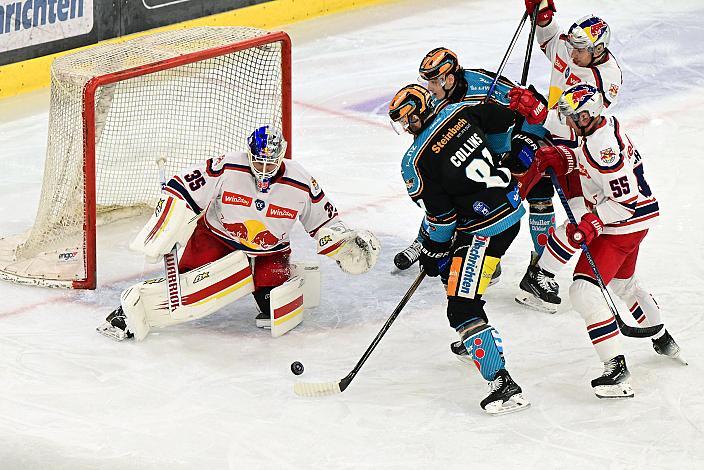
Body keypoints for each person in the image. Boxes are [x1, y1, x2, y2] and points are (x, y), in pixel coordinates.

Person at [97, 125, 380, 341]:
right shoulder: (228, 166)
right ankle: (127, 311)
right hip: (217, 237)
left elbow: (324, 222)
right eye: (259, 161)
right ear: (249, 153)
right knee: (185, 283)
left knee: (272, 308)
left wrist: (343, 245)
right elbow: (182, 185)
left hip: (270, 250)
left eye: (271, 162)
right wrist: (168, 223)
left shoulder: (301, 181)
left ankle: (267, 281)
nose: (265, 169)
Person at [514, 83, 684, 398]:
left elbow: (625, 201)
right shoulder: (594, 128)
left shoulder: (604, 148)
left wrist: (594, 220)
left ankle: (616, 370)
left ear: (591, 115)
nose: (571, 123)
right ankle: (661, 336)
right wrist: (543, 120)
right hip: (635, 219)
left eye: (577, 117)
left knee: (582, 292)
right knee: (624, 285)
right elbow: (575, 148)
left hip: (624, 222)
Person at [389, 83, 530, 414]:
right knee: (459, 273)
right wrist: (500, 155)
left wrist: (433, 250)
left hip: (483, 230)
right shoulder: (461, 110)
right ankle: (477, 343)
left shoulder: (415, 161)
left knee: (460, 307)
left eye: (406, 120)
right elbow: (504, 119)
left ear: (417, 115)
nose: (405, 128)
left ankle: (503, 384)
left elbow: (442, 219)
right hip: (510, 213)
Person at [394, 48, 553, 278]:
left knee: (540, 192)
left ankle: (541, 270)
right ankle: (427, 240)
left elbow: (533, 110)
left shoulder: (484, 85)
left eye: (434, 81)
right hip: (480, 153)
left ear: (449, 79)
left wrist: (526, 142)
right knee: (445, 183)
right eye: (426, 81)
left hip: (511, 146)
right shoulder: (432, 103)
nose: (429, 88)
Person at [514, 0, 625, 312]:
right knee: (515, 188)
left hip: (575, 151)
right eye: (573, 47)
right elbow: (550, 40)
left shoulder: (605, 81)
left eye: (580, 50)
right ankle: (522, 270)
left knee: (580, 216)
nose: (572, 54)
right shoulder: (571, 47)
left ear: (598, 50)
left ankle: (539, 273)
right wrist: (543, 14)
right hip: (543, 134)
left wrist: (537, 112)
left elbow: (578, 122)